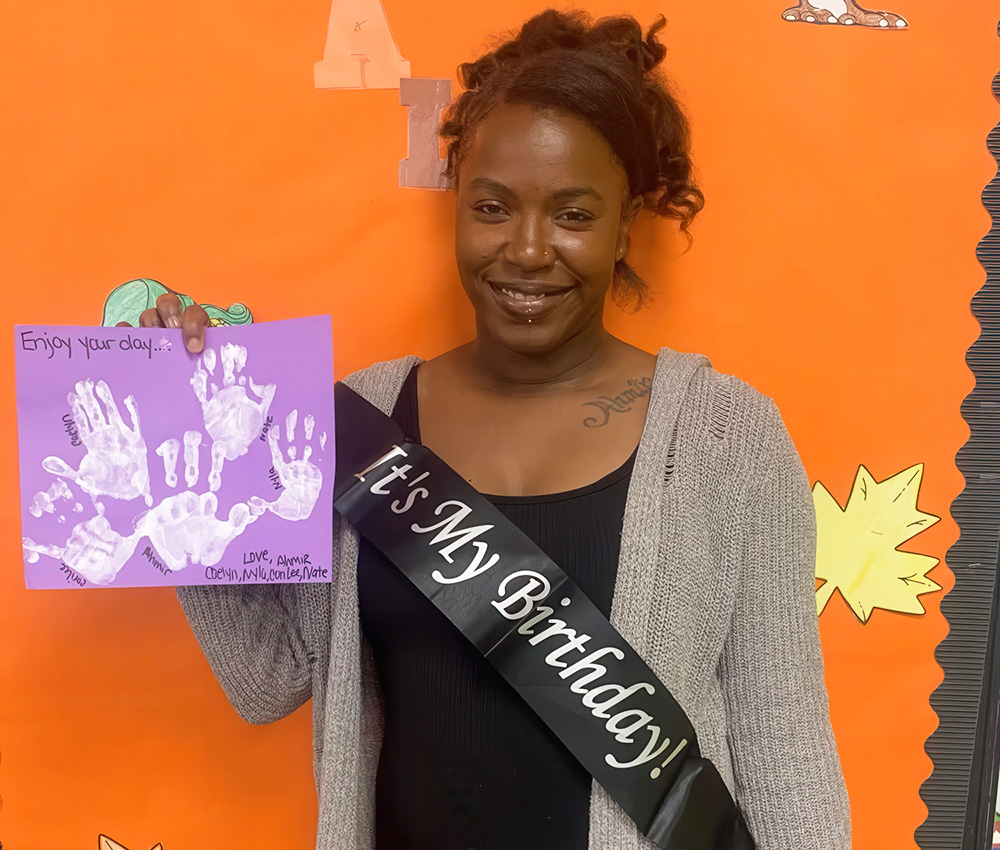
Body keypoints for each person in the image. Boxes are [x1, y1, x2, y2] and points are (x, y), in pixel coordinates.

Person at [145, 9, 850, 850]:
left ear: (628, 222)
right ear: (456, 205)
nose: (525, 250)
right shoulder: (355, 421)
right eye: (492, 207)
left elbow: (786, 748)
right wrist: (179, 443)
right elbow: (266, 680)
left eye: (574, 215)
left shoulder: (727, 438)